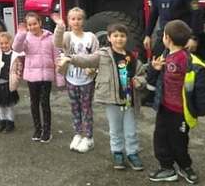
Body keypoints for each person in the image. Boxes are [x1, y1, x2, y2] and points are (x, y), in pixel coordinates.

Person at [57, 23, 146, 170]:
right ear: (109, 38)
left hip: (129, 100)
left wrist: (139, 82)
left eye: (122, 36)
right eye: (115, 36)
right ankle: (117, 153)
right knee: (115, 129)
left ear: (127, 38)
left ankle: (132, 153)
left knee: (130, 130)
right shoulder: (103, 54)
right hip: (112, 100)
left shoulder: (132, 57)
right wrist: (70, 59)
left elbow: (141, 74)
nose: (119, 39)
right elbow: (86, 60)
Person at [146, 20, 205, 184]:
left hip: (181, 112)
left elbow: (201, 87)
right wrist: (155, 68)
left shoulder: (192, 62)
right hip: (164, 108)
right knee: (160, 138)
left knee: (179, 140)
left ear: (167, 38)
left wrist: (201, 109)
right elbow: (152, 80)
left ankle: (185, 166)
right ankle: (167, 167)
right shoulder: (164, 56)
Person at [52, 8, 100, 153]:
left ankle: (89, 137)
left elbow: (97, 56)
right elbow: (57, 43)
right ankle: (78, 134)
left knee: (86, 109)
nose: (76, 21)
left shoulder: (90, 37)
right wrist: (60, 27)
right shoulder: (67, 36)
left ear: (83, 20)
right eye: (72, 19)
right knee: (75, 108)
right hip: (71, 78)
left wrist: (92, 69)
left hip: (86, 80)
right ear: (68, 21)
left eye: (79, 18)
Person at [13, 12, 65, 143]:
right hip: (31, 77)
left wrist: (59, 78)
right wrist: (20, 34)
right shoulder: (26, 37)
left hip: (46, 77)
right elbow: (17, 48)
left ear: (40, 23)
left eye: (35, 23)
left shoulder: (50, 37)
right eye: (29, 25)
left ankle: (47, 131)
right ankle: (37, 129)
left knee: (45, 103)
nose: (32, 27)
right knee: (34, 104)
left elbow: (57, 57)